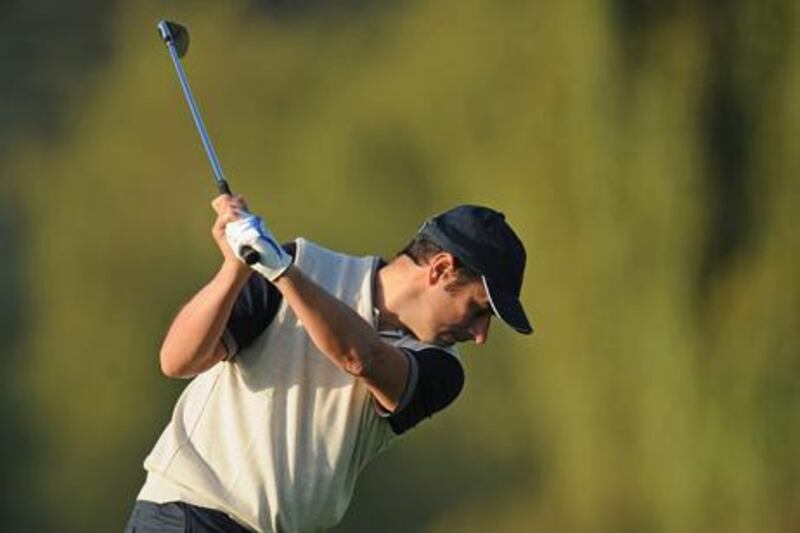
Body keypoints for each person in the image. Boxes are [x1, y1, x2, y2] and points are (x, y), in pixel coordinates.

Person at [125, 195, 533, 532]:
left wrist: (282, 273)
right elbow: (177, 360)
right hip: (185, 515)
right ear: (441, 269)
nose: (480, 336)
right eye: (478, 311)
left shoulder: (443, 369)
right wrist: (234, 271)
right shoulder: (302, 263)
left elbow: (361, 357)